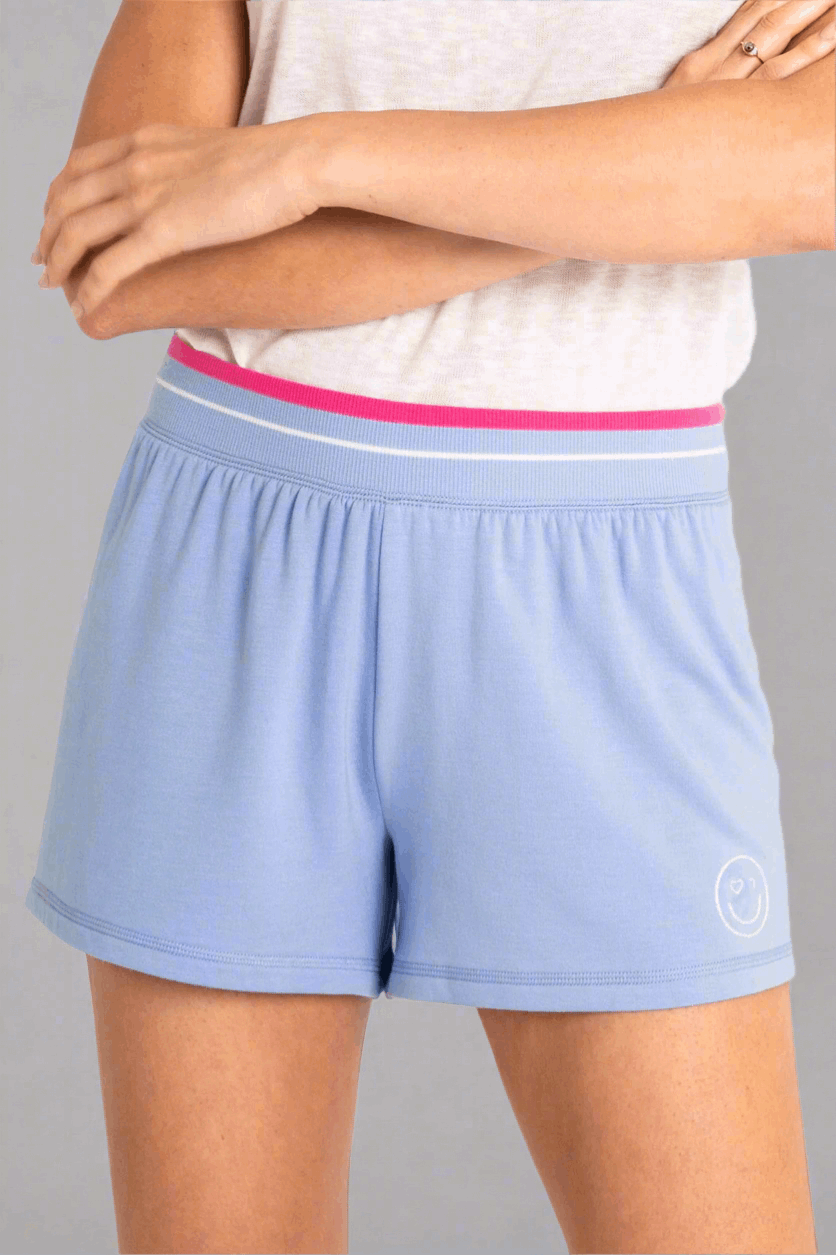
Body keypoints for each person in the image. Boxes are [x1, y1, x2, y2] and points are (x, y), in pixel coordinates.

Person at [25, 2, 834, 1252]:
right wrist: (631, 175)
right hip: (238, 565)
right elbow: (124, 259)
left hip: (595, 592)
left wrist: (309, 159)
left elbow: (801, 174)